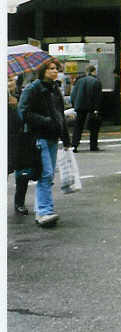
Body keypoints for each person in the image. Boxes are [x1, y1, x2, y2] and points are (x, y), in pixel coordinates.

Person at [18, 59, 72, 227]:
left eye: (56, 69)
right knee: (46, 174)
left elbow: (60, 114)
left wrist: (66, 139)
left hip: (53, 137)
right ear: (43, 71)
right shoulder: (33, 89)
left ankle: (42, 210)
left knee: (47, 175)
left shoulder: (55, 89)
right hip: (38, 136)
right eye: (51, 69)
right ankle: (44, 211)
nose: (55, 71)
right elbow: (23, 112)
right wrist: (45, 121)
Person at [8, 75, 37, 215]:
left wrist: (15, 106)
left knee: (21, 173)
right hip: (7, 141)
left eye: (9, 79)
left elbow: (25, 117)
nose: (8, 83)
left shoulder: (21, 96)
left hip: (20, 140)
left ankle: (19, 203)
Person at [71, 65, 103, 152]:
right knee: (94, 127)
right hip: (91, 107)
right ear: (94, 71)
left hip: (80, 106)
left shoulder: (79, 81)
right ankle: (93, 146)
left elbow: (73, 94)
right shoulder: (96, 81)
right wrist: (97, 108)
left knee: (78, 127)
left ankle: (74, 145)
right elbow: (98, 97)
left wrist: (74, 105)